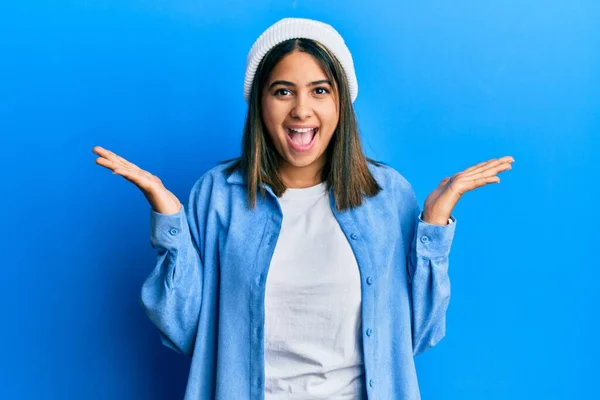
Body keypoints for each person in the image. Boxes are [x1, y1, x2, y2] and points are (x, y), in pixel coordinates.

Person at [93, 17, 513, 400]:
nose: (301, 110)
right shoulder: (217, 196)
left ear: (340, 104)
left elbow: (416, 335)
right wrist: (169, 223)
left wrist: (434, 226)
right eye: (282, 91)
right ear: (260, 103)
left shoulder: (388, 196)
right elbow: (184, 329)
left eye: (319, 90)